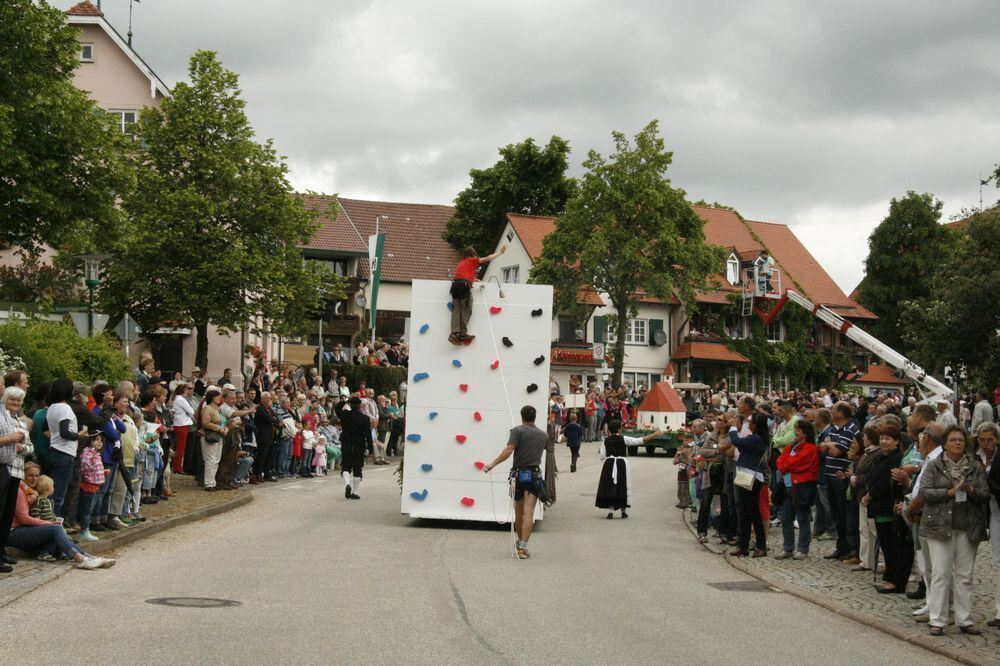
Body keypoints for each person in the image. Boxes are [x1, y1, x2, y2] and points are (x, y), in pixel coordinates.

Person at [919, 425, 990, 636]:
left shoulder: (975, 467)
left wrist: (970, 490)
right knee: (940, 574)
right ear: (945, 443)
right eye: (953, 439)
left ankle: (964, 619)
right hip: (939, 525)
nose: (957, 442)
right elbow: (925, 492)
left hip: (968, 526)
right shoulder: (934, 465)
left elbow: (985, 495)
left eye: (960, 439)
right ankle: (938, 620)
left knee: (964, 576)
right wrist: (949, 492)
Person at [6, 462, 113, 569]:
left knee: (59, 531)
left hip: (24, 530)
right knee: (56, 528)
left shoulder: (31, 492)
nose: (34, 478)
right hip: (13, 532)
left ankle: (90, 557)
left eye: (36, 475)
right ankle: (81, 559)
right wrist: (48, 523)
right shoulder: (20, 492)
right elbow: (24, 518)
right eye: (30, 475)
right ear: (23, 475)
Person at [483, 405, 550, 559]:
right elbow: (549, 455)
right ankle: (523, 547)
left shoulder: (517, 431)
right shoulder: (543, 435)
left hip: (519, 476)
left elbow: (508, 450)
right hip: (534, 476)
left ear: (522, 416)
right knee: (529, 514)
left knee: (518, 513)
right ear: (535, 417)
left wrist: (492, 464)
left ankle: (520, 543)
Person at [862, 421, 913, 594]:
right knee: (885, 542)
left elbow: (886, 483)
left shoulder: (895, 458)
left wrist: (870, 495)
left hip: (886, 506)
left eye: (888, 439)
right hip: (878, 506)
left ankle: (893, 579)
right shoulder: (881, 457)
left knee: (891, 544)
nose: (884, 441)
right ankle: (889, 576)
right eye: (882, 438)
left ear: (897, 441)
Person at [595, 420, 662, 520]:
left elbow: (602, 456)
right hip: (621, 463)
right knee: (623, 485)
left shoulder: (606, 441)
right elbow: (640, 440)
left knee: (611, 486)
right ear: (619, 429)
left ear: (609, 430)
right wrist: (654, 434)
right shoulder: (624, 439)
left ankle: (610, 511)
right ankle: (623, 511)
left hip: (609, 464)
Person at [727, 411, 771, 557]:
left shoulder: (757, 439)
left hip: (751, 477)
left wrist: (733, 428)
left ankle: (761, 546)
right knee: (744, 513)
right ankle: (743, 545)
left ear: (756, 425)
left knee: (753, 513)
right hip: (744, 474)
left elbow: (737, 442)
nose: (749, 424)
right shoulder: (756, 438)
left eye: (750, 422)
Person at [820, 402, 860, 562]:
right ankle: (840, 546)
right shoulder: (834, 429)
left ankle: (850, 548)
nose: (831, 411)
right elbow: (822, 448)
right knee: (836, 514)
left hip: (841, 477)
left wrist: (829, 444)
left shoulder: (850, 429)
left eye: (834, 410)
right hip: (830, 476)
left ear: (841, 413)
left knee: (844, 514)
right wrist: (829, 444)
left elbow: (836, 451)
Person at [774, 419, 819, 559]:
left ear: (805, 433)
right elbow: (780, 462)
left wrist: (785, 464)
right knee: (786, 518)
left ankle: (803, 549)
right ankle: (788, 548)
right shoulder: (791, 446)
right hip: (787, 487)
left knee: (802, 518)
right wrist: (786, 464)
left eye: (798, 430)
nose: (795, 432)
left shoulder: (810, 448)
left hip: (801, 486)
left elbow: (795, 463)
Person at [0, 386, 34, 572]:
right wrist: (12, 442)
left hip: (18, 470)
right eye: (12, 400)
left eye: (18, 401)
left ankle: (2, 549)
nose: (15, 403)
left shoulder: (21, 423)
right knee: (2, 511)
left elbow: (31, 448)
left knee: (8, 513)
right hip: (6, 467)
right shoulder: (3, 419)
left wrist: (22, 448)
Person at [448, 244, 506, 345]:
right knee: (466, 308)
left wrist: (473, 279)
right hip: (464, 286)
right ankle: (462, 334)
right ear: (473, 255)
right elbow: (487, 258)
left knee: (456, 310)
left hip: (455, 286)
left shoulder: (461, 263)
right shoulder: (472, 260)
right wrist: (500, 253)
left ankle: (454, 333)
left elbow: (460, 276)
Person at [973, 423, 1000, 627]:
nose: (986, 444)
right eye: (982, 440)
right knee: (997, 562)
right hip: (992, 514)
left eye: (989, 439)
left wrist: (986, 478)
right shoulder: (977, 456)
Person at [334, 396, 372, 499]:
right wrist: (371, 450)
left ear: (350, 405)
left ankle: (347, 484)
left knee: (346, 466)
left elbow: (337, 408)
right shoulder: (365, 418)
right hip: (359, 444)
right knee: (357, 468)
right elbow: (368, 434)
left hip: (346, 443)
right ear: (360, 406)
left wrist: (345, 401)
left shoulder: (345, 415)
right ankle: (354, 493)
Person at [197, 389, 226, 492]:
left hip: (219, 436)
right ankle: (208, 483)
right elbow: (205, 423)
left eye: (219, 396)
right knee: (210, 459)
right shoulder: (207, 408)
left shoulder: (217, 409)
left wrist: (224, 428)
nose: (219, 398)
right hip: (209, 435)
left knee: (216, 460)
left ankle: (212, 481)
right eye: (216, 396)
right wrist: (219, 428)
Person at [171, 382, 195, 473]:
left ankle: (176, 465)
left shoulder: (178, 399)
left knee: (179, 447)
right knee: (181, 448)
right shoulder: (181, 399)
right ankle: (177, 467)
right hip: (182, 425)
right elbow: (191, 411)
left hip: (180, 424)